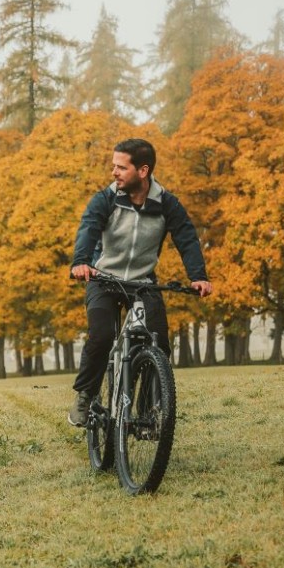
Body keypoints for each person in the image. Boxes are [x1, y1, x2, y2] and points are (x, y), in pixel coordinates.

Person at [67, 138, 213, 427]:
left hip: (143, 283)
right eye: (113, 166)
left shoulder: (166, 204)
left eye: (121, 167)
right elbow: (89, 228)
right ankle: (86, 395)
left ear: (143, 171)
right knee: (102, 334)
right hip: (103, 279)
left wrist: (198, 276)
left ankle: (148, 411)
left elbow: (186, 237)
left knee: (158, 341)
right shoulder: (105, 199)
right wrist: (81, 261)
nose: (114, 172)